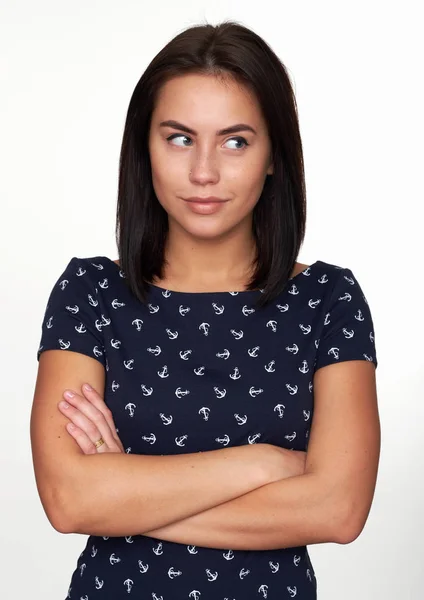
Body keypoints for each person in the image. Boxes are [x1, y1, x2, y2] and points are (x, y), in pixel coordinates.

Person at [30, 20, 380, 600]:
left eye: (236, 141)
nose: (204, 172)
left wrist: (124, 493)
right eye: (179, 137)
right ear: (145, 147)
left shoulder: (327, 301)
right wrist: (263, 463)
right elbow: (69, 501)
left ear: (274, 157)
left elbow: (338, 510)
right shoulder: (91, 293)